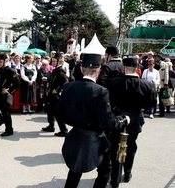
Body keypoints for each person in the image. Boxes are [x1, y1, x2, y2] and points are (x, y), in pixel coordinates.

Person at [55, 53, 130, 188]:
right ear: (98, 70)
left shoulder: (68, 87)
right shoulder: (101, 91)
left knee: (75, 170)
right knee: (105, 170)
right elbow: (108, 123)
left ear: (82, 69)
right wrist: (123, 120)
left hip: (76, 135)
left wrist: (76, 121)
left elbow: (59, 114)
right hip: (96, 138)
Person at [107, 56, 156, 188]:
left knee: (116, 147)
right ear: (137, 69)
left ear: (125, 68)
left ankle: (115, 178)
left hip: (118, 117)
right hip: (135, 118)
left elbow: (108, 101)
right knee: (130, 146)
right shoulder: (147, 84)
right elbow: (152, 103)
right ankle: (127, 172)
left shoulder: (113, 82)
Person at [42, 52, 68, 137]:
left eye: (54, 61)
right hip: (51, 93)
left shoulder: (60, 71)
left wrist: (57, 90)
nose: (52, 63)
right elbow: (53, 79)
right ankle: (51, 126)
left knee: (57, 113)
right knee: (50, 110)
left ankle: (64, 130)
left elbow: (64, 82)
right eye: (52, 61)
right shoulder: (55, 69)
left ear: (59, 61)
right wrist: (48, 79)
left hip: (55, 95)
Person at [153, 53, 169, 117]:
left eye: (157, 57)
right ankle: (153, 111)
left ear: (159, 57)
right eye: (155, 57)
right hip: (154, 83)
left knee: (161, 99)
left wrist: (166, 83)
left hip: (162, 83)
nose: (155, 58)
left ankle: (161, 112)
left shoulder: (164, 64)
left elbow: (166, 74)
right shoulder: (152, 63)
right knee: (153, 98)